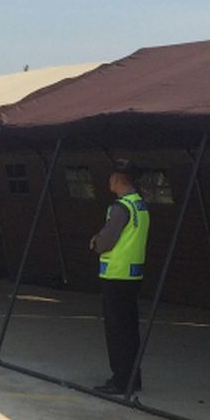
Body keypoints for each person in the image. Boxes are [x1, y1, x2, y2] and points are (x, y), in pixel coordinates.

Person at [89, 160, 151, 396]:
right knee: (129, 328)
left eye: (111, 177)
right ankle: (133, 377)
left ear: (117, 179)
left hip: (116, 275)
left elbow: (107, 241)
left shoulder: (120, 207)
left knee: (117, 331)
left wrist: (96, 242)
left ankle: (120, 379)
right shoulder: (140, 205)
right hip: (132, 274)